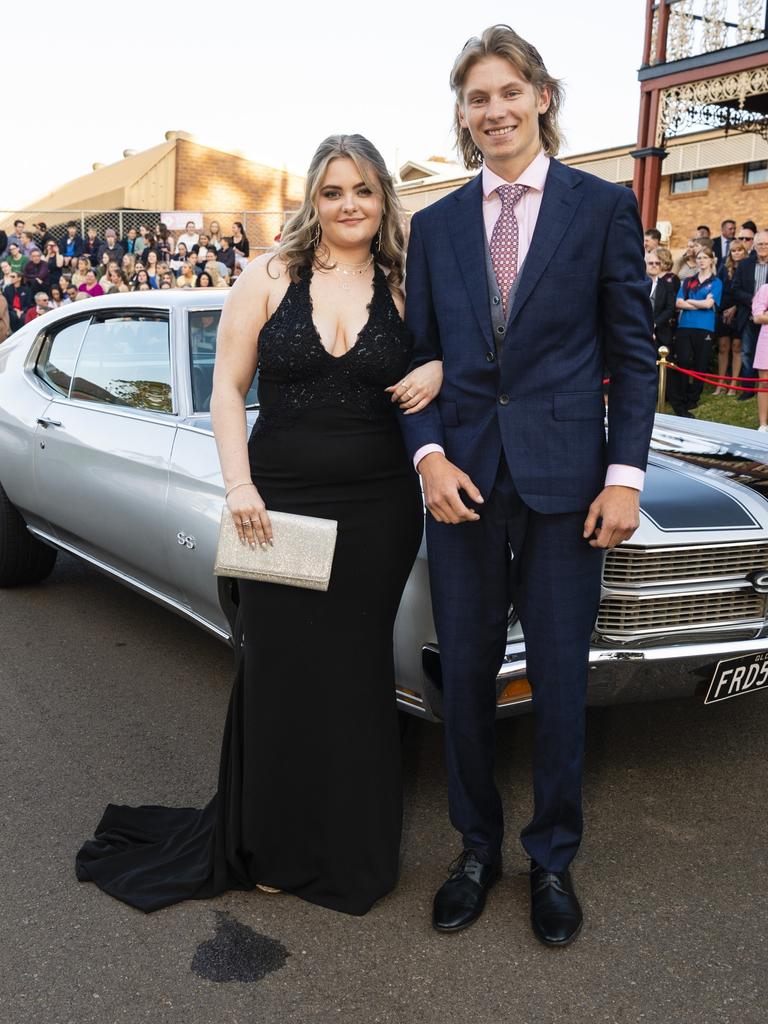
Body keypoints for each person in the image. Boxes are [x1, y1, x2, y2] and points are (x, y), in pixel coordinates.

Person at [75, 133, 442, 915]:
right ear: (314, 198)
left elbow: (459, 361)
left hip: (378, 513)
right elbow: (225, 390)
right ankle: (270, 843)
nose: (350, 205)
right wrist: (238, 485)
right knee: (278, 670)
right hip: (275, 503)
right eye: (335, 191)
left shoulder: (410, 284)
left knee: (354, 677)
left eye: (365, 191)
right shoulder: (269, 274)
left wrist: (437, 365)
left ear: (384, 200)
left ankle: (347, 853)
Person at [396, 25, 656, 947]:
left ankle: (553, 859)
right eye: (477, 99)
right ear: (462, 118)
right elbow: (417, 358)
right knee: (464, 678)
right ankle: (475, 850)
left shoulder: (601, 207)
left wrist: (624, 477)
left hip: (567, 487)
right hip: (461, 485)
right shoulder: (433, 228)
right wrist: (427, 456)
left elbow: (632, 353)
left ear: (541, 95)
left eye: (509, 91)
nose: (494, 110)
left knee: (556, 678)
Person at [668, 248, 722, 416]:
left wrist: (690, 301)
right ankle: (682, 395)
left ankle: (694, 398)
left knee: (700, 362)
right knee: (683, 361)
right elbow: (678, 303)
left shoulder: (716, 282)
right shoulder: (688, 281)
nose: (701, 260)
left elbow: (709, 305)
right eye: (699, 258)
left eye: (705, 257)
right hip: (685, 325)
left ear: (711, 260)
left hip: (705, 327)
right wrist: (699, 302)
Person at [732, 229, 768, 399]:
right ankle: (748, 389)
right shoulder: (745, 264)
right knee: (747, 352)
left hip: (767, 318)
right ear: (754, 245)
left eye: (766, 244)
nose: (763, 247)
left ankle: (764, 388)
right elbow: (736, 289)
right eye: (760, 244)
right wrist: (754, 299)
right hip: (748, 315)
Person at [715, 240, 748, 395]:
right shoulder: (724, 268)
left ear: (744, 251)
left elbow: (746, 292)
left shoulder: (748, 267)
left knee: (737, 346)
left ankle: (733, 384)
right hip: (723, 310)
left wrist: (735, 308)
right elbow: (720, 289)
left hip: (741, 311)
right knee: (723, 347)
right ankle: (720, 383)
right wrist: (723, 309)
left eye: (739, 250)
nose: (736, 253)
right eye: (733, 251)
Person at [646, 250, 676, 348]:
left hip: (661, 333)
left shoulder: (668, 285)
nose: (654, 265)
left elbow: (670, 308)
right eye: (651, 263)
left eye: (657, 263)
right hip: (639, 330)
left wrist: (655, 323)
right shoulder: (638, 284)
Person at [750, 283, 768, 431]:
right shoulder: (765, 289)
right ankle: (763, 424)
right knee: (764, 383)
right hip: (766, 340)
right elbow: (757, 317)